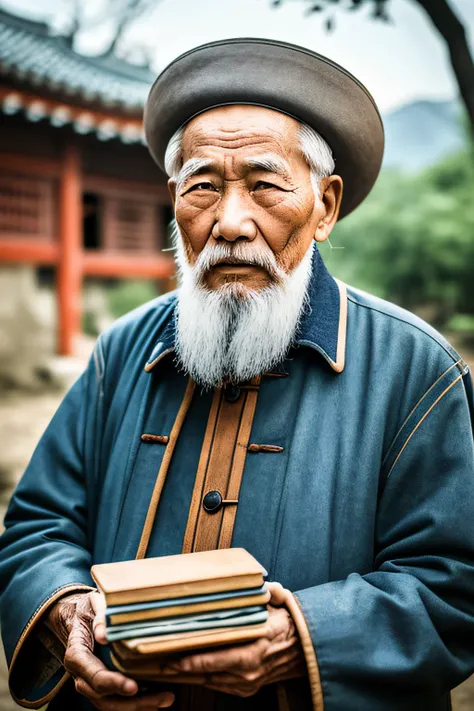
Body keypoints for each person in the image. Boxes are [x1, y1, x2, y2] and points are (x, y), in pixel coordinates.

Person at [1, 38, 474, 711]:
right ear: (175, 203)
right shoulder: (121, 353)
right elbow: (39, 524)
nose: (228, 222)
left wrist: (299, 636)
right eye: (202, 186)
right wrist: (66, 607)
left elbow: (453, 580)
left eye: (264, 184)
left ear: (326, 205)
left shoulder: (417, 371)